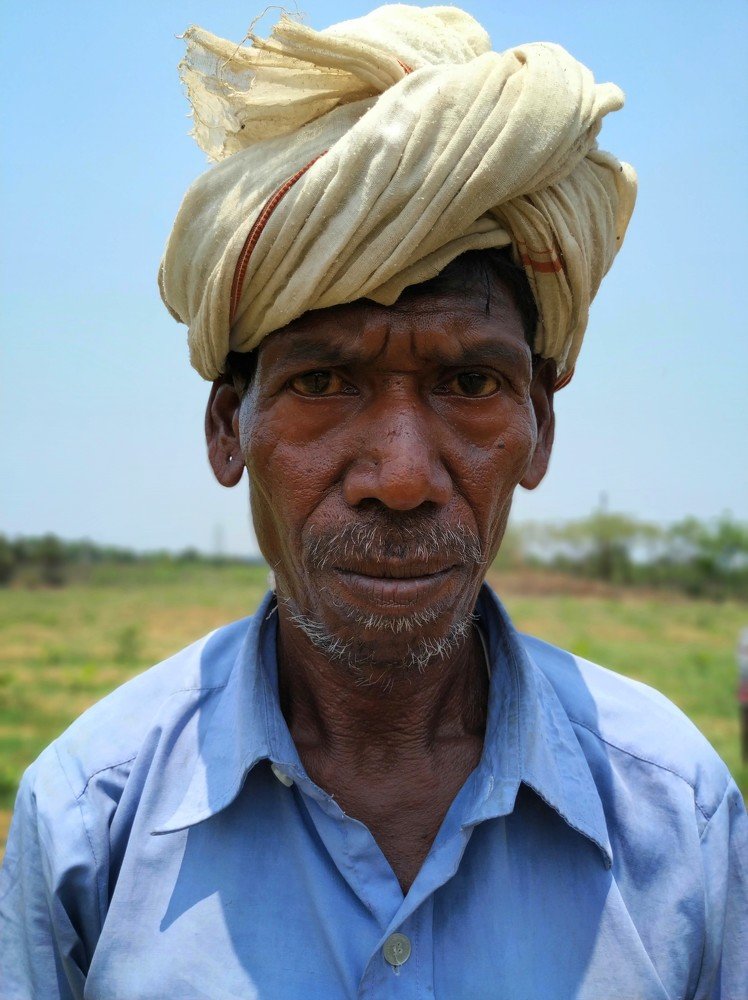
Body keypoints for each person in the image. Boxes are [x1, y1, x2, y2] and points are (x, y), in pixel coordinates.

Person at [1, 6, 746, 998]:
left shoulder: (679, 813)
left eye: (469, 384)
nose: (400, 477)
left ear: (540, 430)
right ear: (228, 429)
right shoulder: (88, 823)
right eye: (322, 383)